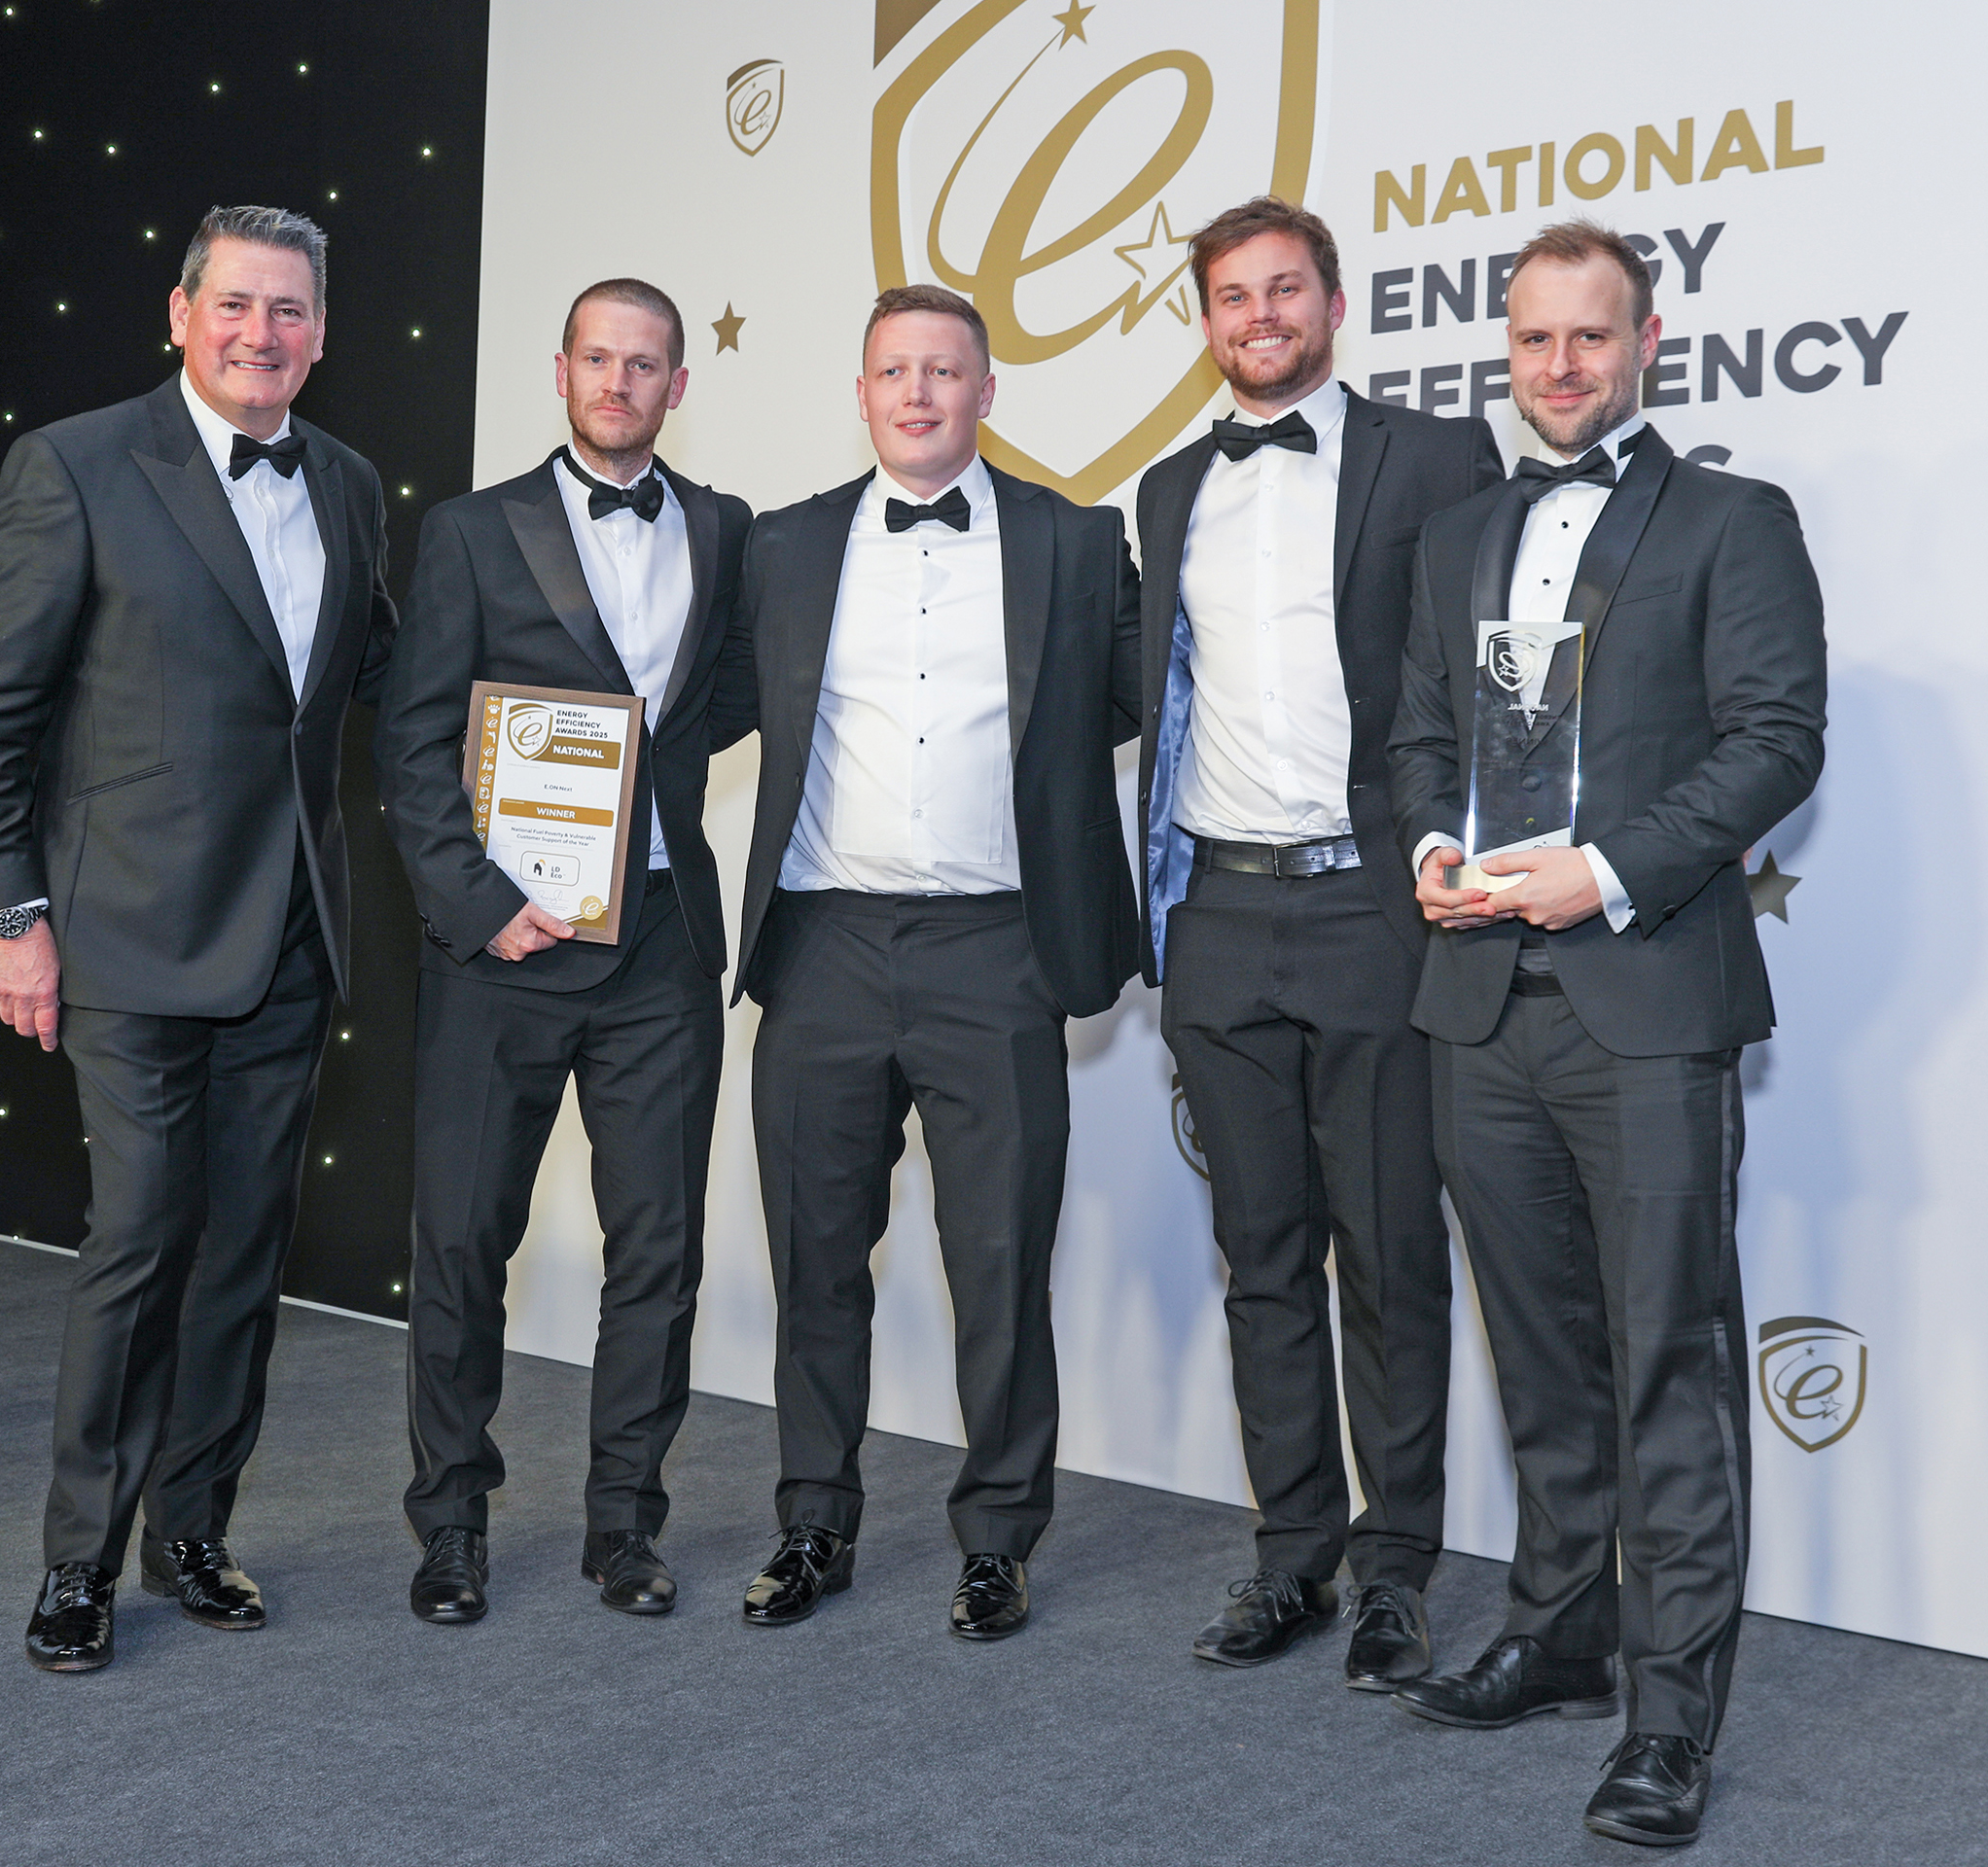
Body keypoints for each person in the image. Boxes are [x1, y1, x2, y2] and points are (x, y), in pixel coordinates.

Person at [1385, 221, 1826, 1846]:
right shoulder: (1460, 536)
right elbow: (1419, 739)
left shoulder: (1730, 521)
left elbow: (1776, 740)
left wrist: (1609, 872)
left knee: (1669, 1361)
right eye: (1532, 340)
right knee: (1543, 1350)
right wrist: (1434, 847)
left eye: (1589, 336)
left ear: (1646, 343)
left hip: (1644, 1000)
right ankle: (1561, 1634)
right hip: (1479, 1003)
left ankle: (1671, 1716)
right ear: (1503, 353)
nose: (1559, 365)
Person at [0, 205, 396, 1673]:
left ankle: (192, 1526)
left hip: (290, 940)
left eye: (290, 309)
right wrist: (11, 916)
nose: (262, 332)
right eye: (236, 303)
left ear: (321, 335)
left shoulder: (349, 483)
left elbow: (383, 668)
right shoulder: (72, 465)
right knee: (140, 1239)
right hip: (122, 934)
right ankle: (79, 1558)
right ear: (181, 313)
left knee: (244, 1253)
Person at [728, 284, 1141, 1641]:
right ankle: (812, 1521)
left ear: (986, 393)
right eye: (895, 371)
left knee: (1000, 1261)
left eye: (945, 371)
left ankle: (998, 1541)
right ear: (860, 394)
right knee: (815, 1259)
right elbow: (697, 704)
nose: (918, 393)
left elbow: (1136, 701)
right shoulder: (783, 545)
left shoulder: (1076, 542)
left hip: (996, 949)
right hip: (824, 946)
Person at [1131, 196, 1504, 1687]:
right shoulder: (1168, 488)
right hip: (1220, 910)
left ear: (1334, 305)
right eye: (1234, 295)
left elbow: (1493, 673)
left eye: (1284, 289)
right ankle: (1290, 1554)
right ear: (1207, 321)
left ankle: (1395, 1568)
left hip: (1373, 903)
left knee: (1393, 1253)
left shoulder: (1437, 456)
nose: (1261, 316)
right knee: (1262, 1254)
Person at [373, 279, 752, 1626]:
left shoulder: (726, 529)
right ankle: (451, 1526)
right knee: (464, 1243)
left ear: (676, 386)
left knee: (658, 1251)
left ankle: (625, 1526)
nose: (618, 381)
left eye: (644, 364)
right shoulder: (472, 531)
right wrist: (482, 903)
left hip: (660, 946)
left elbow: (727, 699)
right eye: (598, 357)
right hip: (503, 952)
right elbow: (414, 743)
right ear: (562, 370)